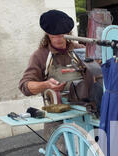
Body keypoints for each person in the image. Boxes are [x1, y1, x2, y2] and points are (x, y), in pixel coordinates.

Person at [18, 9, 84, 141]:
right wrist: (45, 84)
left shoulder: (81, 50)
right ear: (47, 34)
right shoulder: (40, 55)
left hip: (83, 113)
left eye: (62, 35)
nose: (59, 39)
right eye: (54, 36)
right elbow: (25, 86)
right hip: (56, 119)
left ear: (68, 33)